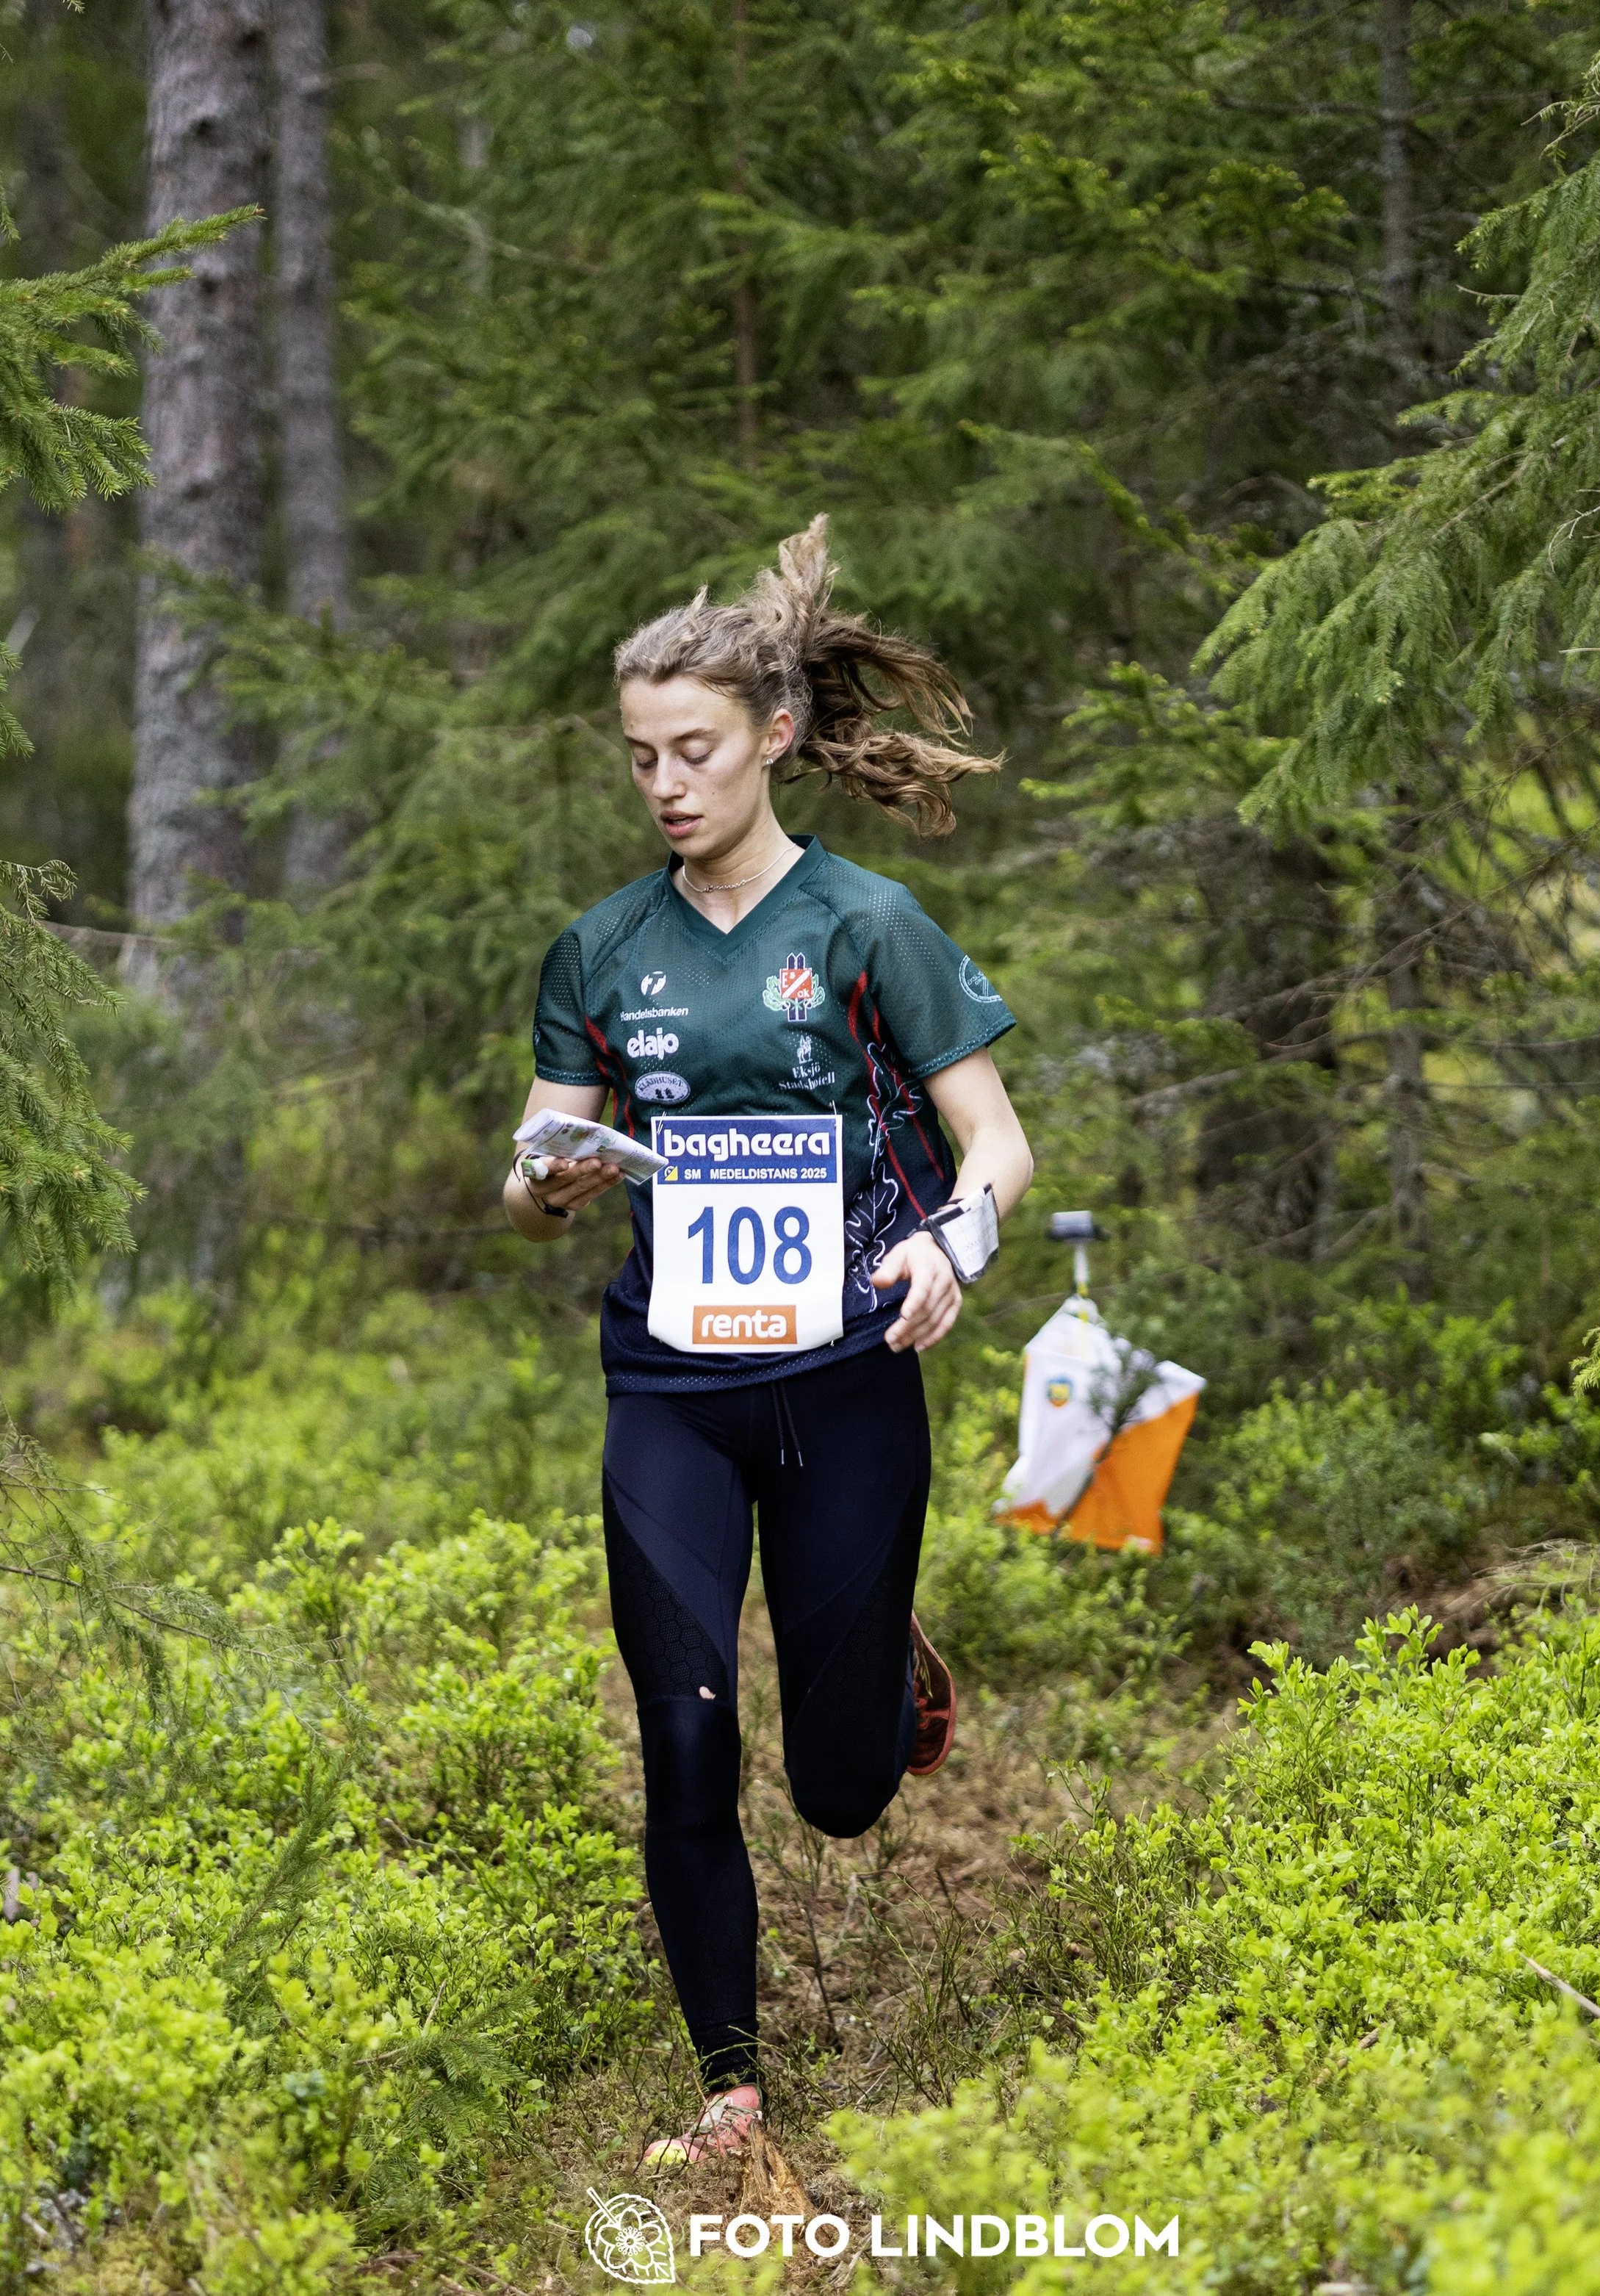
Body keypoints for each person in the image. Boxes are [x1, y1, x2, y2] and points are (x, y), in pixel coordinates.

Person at [502, 519, 1033, 2165]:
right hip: (671, 1382)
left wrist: (956, 1237)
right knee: (680, 1723)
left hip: (847, 1373)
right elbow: (533, 1168)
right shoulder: (601, 949)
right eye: (640, 756)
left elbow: (997, 1143)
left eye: (694, 751)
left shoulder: (868, 925)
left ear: (774, 739)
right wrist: (550, 1176)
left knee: (837, 1788)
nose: (664, 784)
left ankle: (885, 1672)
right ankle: (731, 2085)